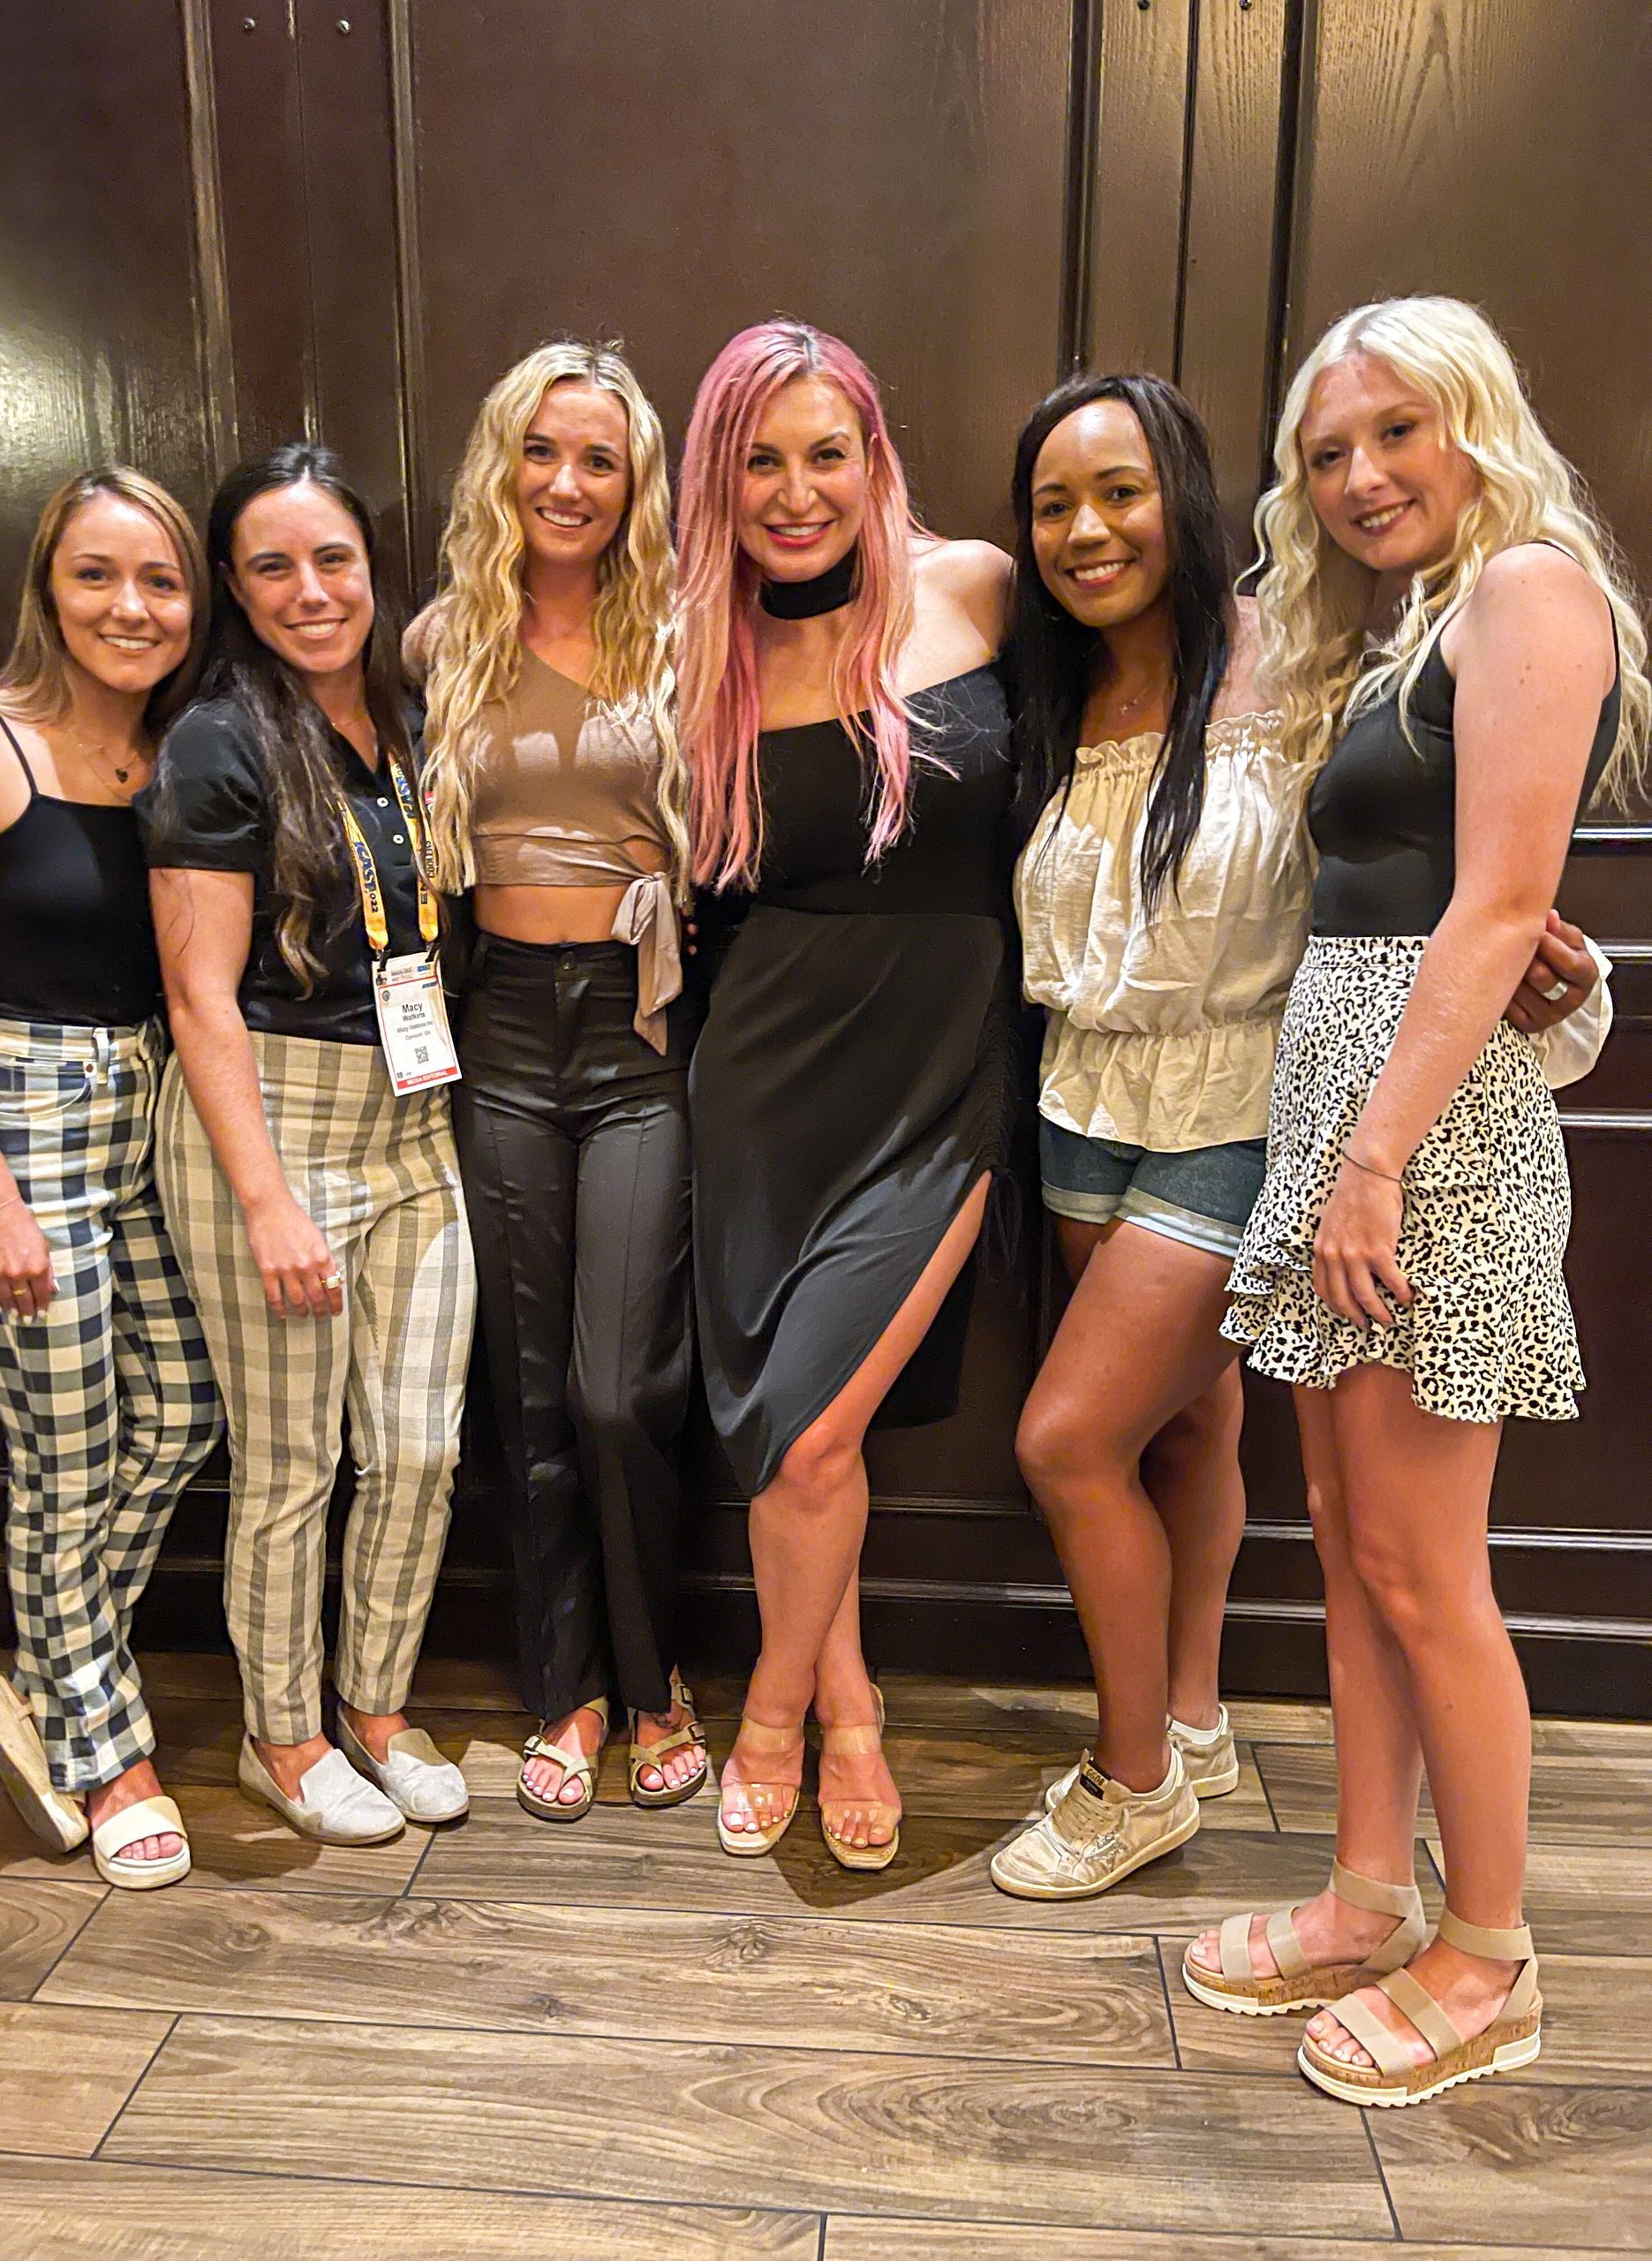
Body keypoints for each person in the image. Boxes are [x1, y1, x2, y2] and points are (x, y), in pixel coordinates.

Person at [989, 374, 1607, 1903]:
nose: (1088, 530)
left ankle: (1137, 1777)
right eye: (1055, 504)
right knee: (1184, 1428)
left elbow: (1446, 862)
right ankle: (1195, 1722)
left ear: (1185, 497)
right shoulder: (1035, 688)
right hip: (1083, 1099)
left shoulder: (1303, 650)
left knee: (1070, 1440)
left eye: (1121, 491)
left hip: (1252, 1103)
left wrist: (1537, 956)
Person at [1183, 297, 1648, 2106]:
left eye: (1397, 433)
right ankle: (1374, 1886)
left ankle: (1489, 1952)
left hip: (1420, 1126)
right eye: (1327, 451)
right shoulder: (1400, 624)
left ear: (1476, 423)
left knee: (1422, 1563)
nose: (1362, 476)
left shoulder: (1530, 588)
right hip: (1354, 1092)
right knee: (1345, 1527)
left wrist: (1372, 1153)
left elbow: (1494, 903)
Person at [678, 321, 1014, 1868]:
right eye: (761, 459)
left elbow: (1199, 682)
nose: (797, 491)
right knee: (802, 1431)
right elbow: (449, 648)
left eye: (829, 452)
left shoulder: (976, 588)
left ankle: (776, 1702)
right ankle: (855, 1695)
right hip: (763, 1077)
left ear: (876, 456)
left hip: (941, 1071)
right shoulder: (693, 643)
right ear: (716, 477)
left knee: (815, 1435)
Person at [141, 443, 476, 1845]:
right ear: (233, 584)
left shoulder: (400, 721)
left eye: (331, 557)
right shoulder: (221, 737)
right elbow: (197, 995)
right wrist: (267, 1197)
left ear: (370, 563)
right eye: (271, 566)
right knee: (291, 1462)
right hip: (267, 1119)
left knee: (415, 1447)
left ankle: (377, 1706)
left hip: (415, 1122)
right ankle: (281, 1738)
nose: (309, 589)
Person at [415, 342, 705, 1819]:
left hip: (644, 1030)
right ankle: (568, 1686)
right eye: (542, 453)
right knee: (523, 1392)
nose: (569, 484)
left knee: (611, 1390)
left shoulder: (686, 638)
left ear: (637, 482)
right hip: (502, 1030)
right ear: (502, 467)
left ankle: (658, 1679)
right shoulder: (443, 641)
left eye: (600, 460)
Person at [0, 468, 222, 1890]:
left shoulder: (181, 757)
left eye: (161, 581)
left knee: (181, 1413)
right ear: (49, 590)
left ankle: (58, 1667)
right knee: (65, 1457)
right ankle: (104, 1747)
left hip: (152, 1112)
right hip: (19, 1117)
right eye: (97, 576)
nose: (131, 607)